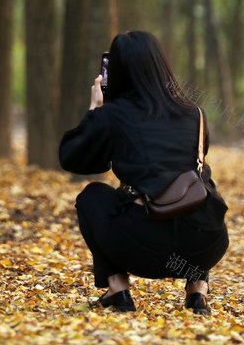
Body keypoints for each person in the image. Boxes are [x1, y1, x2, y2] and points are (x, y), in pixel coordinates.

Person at [59, 31, 229, 315]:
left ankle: (118, 289)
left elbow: (74, 158)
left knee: (91, 196)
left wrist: (94, 111)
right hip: (206, 246)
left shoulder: (113, 114)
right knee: (199, 183)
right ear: (161, 65)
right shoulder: (195, 113)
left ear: (116, 71)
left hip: (143, 249)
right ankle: (197, 290)